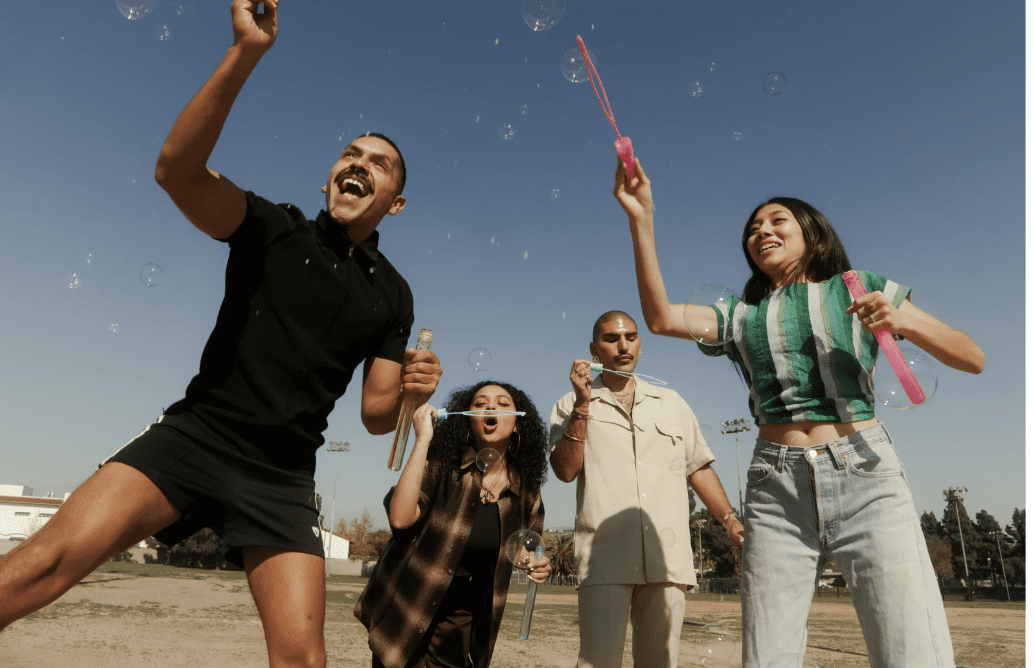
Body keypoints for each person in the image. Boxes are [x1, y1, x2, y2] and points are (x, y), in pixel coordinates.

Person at [0, 3, 442, 668]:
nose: (360, 164)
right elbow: (176, 170)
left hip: (283, 474)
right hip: (197, 435)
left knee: (304, 659)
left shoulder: (394, 293)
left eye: (379, 164)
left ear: (394, 202)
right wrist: (246, 51)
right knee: (45, 562)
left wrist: (411, 391)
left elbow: (378, 418)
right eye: (349, 155)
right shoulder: (274, 226)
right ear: (327, 180)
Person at [614, 155, 984, 668]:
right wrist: (641, 219)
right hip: (774, 484)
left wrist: (901, 319)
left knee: (907, 645)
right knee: (767, 653)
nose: (761, 231)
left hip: (865, 473)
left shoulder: (859, 287)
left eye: (776, 220)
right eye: (752, 229)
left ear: (812, 233)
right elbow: (659, 318)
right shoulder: (739, 316)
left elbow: (973, 356)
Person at [549, 310, 743, 668]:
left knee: (659, 663)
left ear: (640, 343)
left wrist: (730, 520)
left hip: (667, 560)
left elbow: (697, 466)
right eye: (611, 339)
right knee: (598, 662)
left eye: (631, 337)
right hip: (603, 559)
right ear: (594, 349)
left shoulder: (672, 403)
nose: (623, 345)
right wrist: (582, 404)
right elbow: (564, 470)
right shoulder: (570, 404)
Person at [355, 381, 551, 668]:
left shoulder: (526, 491)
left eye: (502, 403)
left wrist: (535, 563)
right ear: (467, 420)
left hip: (461, 623)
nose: (490, 407)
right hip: (410, 607)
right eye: (480, 404)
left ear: (519, 423)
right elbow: (400, 517)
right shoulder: (441, 466)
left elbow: (522, 548)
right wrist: (423, 440)